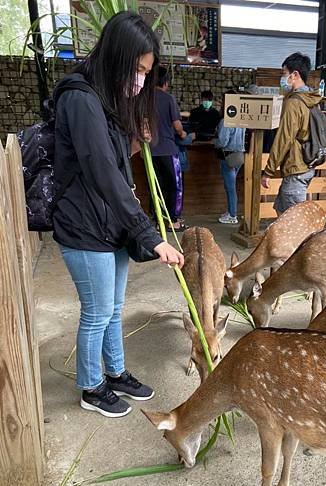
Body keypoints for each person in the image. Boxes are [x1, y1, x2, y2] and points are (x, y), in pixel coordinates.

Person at [53, 12, 184, 418]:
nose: (141, 79)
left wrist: (133, 139)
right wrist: (150, 235)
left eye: (147, 72)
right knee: (96, 312)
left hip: (109, 227)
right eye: (139, 69)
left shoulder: (107, 100)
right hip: (83, 226)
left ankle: (115, 373)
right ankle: (91, 387)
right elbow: (102, 174)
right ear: (118, 57)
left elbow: (113, 161)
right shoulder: (80, 98)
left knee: (113, 308)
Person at [261, 52, 322, 215]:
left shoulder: (294, 103)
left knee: (295, 225)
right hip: (306, 165)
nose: (282, 79)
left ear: (295, 75)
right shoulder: (311, 99)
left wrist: (268, 171)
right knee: (281, 211)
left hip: (296, 168)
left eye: (284, 74)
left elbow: (284, 139)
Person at [151, 66, 187, 231]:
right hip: (167, 149)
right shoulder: (168, 98)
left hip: (150, 151)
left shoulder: (144, 98)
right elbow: (177, 125)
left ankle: (158, 221)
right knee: (175, 185)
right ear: (166, 82)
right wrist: (182, 133)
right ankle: (174, 221)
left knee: (156, 186)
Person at [214, 90, 246, 225]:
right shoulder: (241, 118)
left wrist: (214, 142)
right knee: (232, 187)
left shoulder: (226, 120)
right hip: (239, 156)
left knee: (230, 187)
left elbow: (222, 142)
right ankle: (231, 211)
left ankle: (232, 215)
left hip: (228, 157)